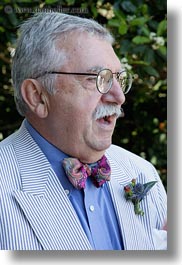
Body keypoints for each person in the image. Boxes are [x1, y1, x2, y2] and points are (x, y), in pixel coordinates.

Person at [0, 12, 167, 250]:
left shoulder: (141, 173)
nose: (119, 97)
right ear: (38, 97)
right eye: (96, 78)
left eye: (119, 79)